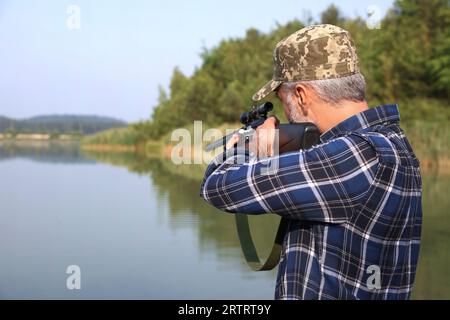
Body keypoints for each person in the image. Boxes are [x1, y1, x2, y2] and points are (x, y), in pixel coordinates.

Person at [200, 24, 422, 300]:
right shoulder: (391, 143)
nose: (285, 114)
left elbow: (217, 186)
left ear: (302, 95)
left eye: (283, 101)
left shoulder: (355, 156)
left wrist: (249, 150)